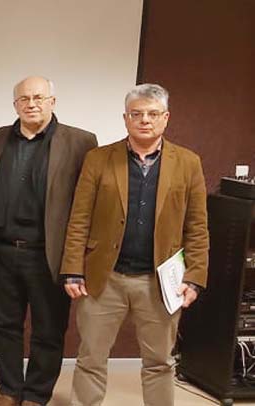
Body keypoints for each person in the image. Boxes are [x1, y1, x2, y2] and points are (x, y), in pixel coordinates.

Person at [61, 83, 209, 406]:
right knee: (90, 358)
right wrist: (73, 269)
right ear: (125, 118)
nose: (145, 120)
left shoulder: (188, 163)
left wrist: (195, 277)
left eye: (153, 114)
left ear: (166, 118)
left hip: (159, 281)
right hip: (104, 278)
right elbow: (79, 218)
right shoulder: (98, 159)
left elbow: (197, 226)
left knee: (160, 363)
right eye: (137, 114)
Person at [0, 76, 97, 406]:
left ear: (52, 102)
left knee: (48, 330)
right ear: (15, 104)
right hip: (2, 252)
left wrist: (78, 260)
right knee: (3, 326)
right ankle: (9, 391)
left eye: (38, 97)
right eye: (24, 99)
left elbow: (89, 204)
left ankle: (36, 395)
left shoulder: (80, 142)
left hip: (49, 254)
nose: (31, 104)